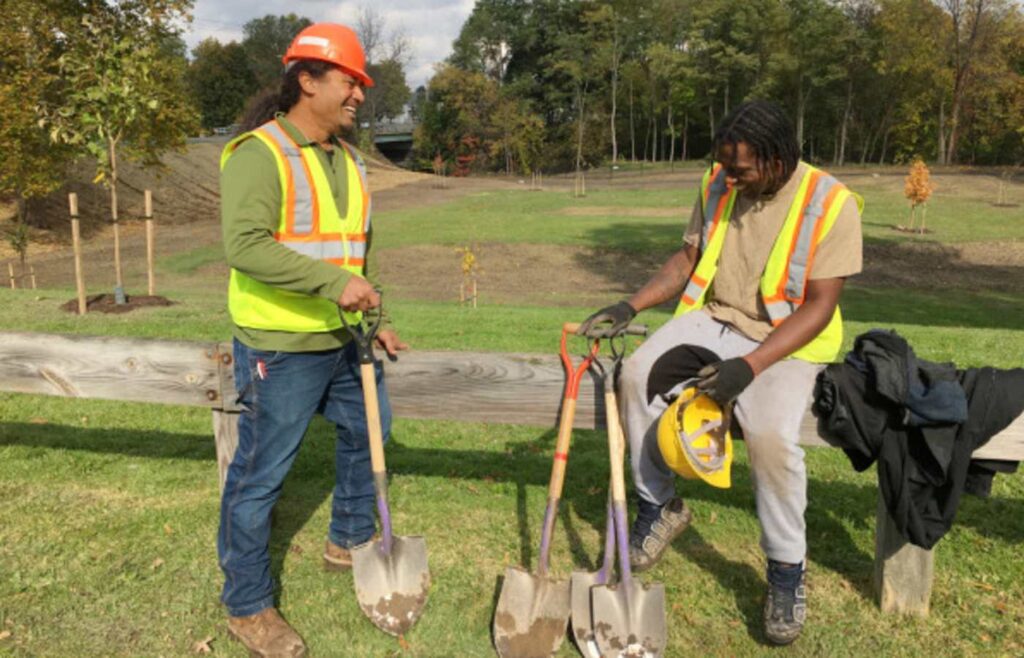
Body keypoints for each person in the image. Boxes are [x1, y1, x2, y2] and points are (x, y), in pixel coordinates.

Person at [578, 100, 863, 646]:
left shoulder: (831, 203)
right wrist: (631, 305)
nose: (729, 178)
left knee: (771, 438)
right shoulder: (718, 182)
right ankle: (659, 505)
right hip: (715, 320)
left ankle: (785, 569)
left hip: (786, 341)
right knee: (635, 376)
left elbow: (820, 306)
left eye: (742, 169)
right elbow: (688, 259)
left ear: (777, 159)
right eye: (725, 167)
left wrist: (749, 368)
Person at [218, 23, 407, 657]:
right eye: (350, 80)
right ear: (308, 80)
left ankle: (346, 541)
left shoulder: (348, 161)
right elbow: (244, 248)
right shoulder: (259, 153)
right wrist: (333, 285)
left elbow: (350, 252)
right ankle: (246, 606)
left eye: (360, 84)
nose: (359, 93)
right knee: (260, 475)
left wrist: (370, 311)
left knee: (366, 433)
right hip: (280, 346)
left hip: (345, 339)